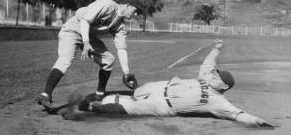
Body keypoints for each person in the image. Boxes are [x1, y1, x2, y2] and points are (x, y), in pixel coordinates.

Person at [63, 39, 274, 128]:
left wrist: (258, 121)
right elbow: (209, 63)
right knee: (132, 95)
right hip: (159, 87)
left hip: (163, 107)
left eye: (217, 76)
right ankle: (94, 98)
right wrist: (217, 49)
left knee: (130, 107)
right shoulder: (206, 78)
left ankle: (87, 106)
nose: (213, 75)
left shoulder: (217, 101)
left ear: (223, 86)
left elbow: (238, 114)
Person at [36, 0, 142, 111]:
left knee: (108, 60)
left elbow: (121, 49)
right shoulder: (107, 6)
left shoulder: (120, 26)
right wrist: (86, 43)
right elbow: (85, 20)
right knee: (65, 60)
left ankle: (99, 95)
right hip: (73, 29)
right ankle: (46, 95)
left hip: (89, 36)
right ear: (127, 6)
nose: (135, 14)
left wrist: (126, 73)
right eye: (135, 10)